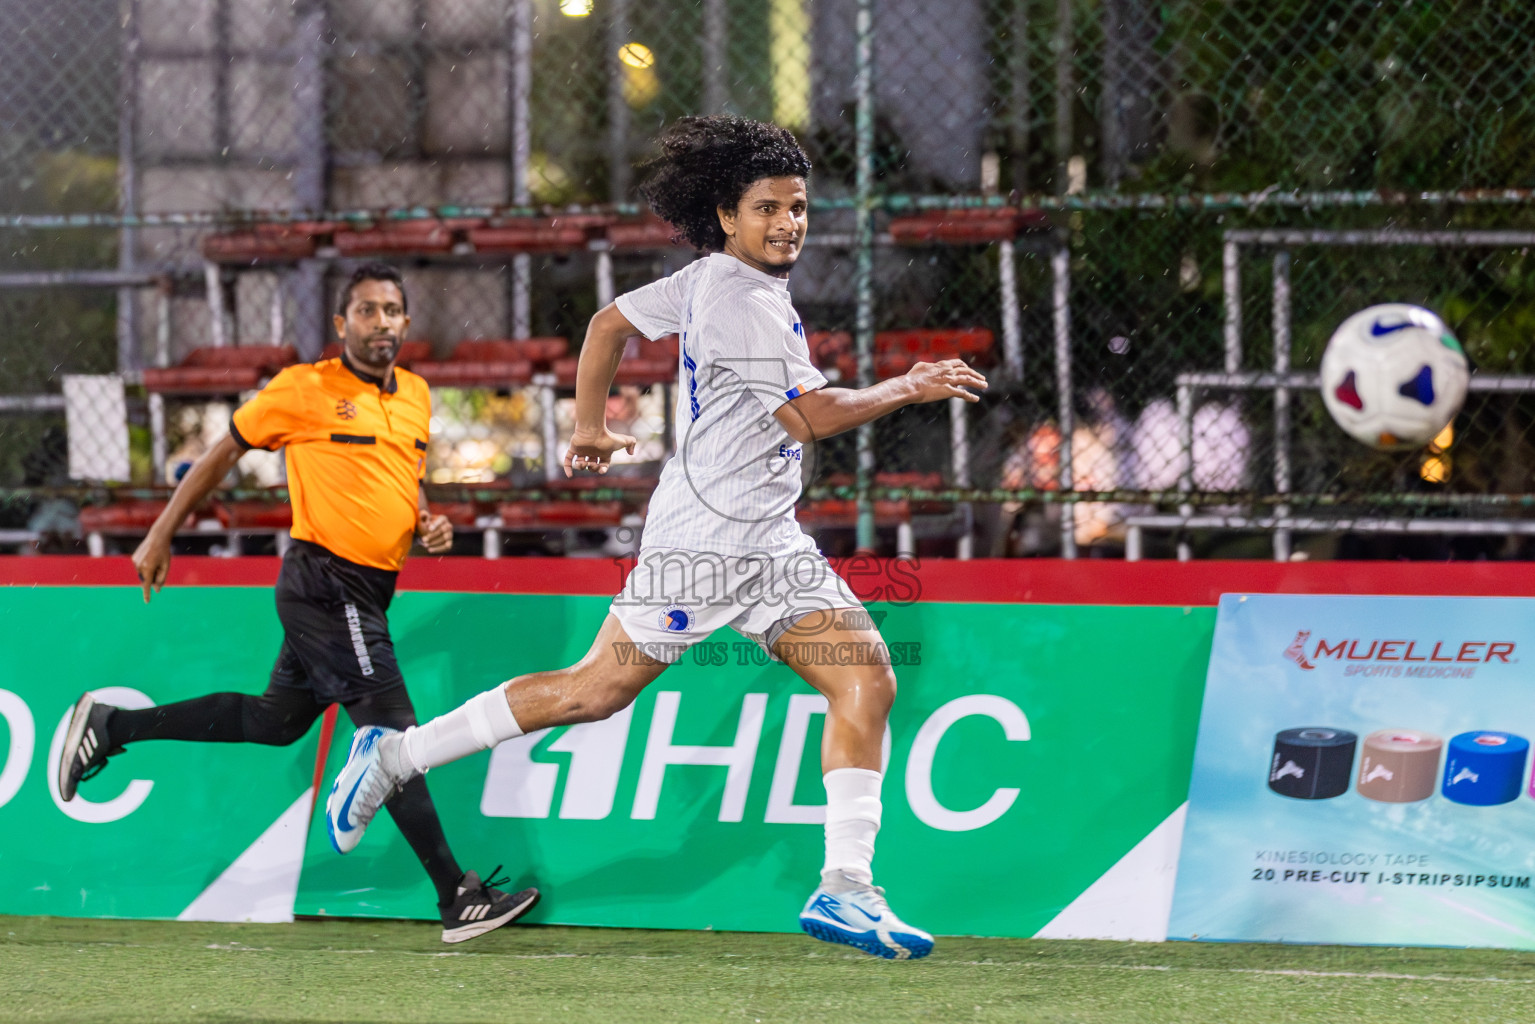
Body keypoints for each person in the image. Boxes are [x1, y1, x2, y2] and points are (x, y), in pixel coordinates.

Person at [324, 117, 986, 960]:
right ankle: (395, 755)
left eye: (798, 207)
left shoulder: (712, 276)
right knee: (591, 692)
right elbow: (808, 415)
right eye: (768, 209)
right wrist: (907, 385)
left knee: (866, 681)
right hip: (704, 543)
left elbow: (605, 324)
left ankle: (846, 891)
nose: (788, 223)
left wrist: (590, 423)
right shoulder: (742, 302)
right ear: (725, 215)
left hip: (766, 537)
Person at [57, 263, 539, 944]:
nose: (381, 323)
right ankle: (455, 895)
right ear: (342, 325)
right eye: (366, 312)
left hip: (370, 589)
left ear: (406, 322)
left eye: (392, 310)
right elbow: (222, 453)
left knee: (277, 720)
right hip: (324, 580)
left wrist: (425, 518)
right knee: (389, 735)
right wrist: (162, 532)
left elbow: (403, 475)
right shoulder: (304, 389)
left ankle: (111, 727)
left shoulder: (418, 396)